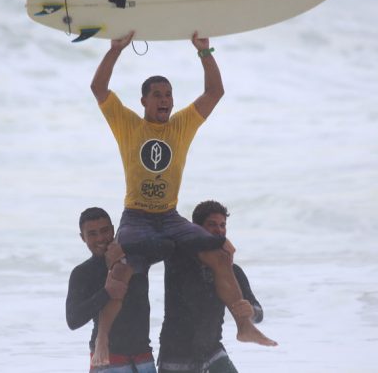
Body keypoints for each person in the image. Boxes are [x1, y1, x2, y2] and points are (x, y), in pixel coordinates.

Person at [89, 31, 277, 366]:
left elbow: (215, 92)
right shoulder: (128, 124)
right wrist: (115, 50)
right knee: (120, 268)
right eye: (157, 95)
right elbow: (98, 89)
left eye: (169, 95)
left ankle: (245, 326)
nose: (165, 100)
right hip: (136, 216)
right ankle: (102, 341)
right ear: (144, 100)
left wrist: (205, 51)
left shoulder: (181, 126)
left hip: (170, 216)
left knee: (220, 254)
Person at [159, 200, 266, 373]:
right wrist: (214, 243)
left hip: (212, 353)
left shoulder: (233, 271)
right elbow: (170, 233)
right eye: (212, 225)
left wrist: (251, 311)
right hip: (176, 358)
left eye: (223, 225)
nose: (219, 230)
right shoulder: (178, 260)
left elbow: (258, 314)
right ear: (197, 228)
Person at [66, 207, 163, 373]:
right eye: (92, 234)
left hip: (143, 356)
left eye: (104, 231)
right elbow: (73, 320)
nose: (100, 238)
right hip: (107, 359)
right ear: (83, 238)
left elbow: (168, 246)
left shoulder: (136, 259)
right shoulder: (82, 273)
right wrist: (105, 293)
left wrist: (127, 249)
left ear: (113, 229)